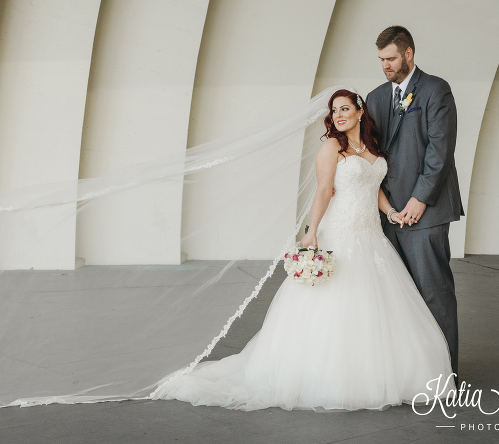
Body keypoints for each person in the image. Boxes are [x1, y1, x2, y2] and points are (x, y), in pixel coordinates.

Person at [151, 89, 455, 411]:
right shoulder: (331, 147)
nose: (338, 115)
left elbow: (373, 186)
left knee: (376, 305)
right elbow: (324, 190)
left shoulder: (372, 149)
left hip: (371, 236)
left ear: (360, 111)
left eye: (344, 108)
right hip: (338, 232)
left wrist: (391, 212)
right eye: (334, 110)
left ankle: (383, 372)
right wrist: (311, 233)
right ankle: (328, 377)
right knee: (331, 304)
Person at [366, 25, 464, 382]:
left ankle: (445, 376)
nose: (385, 66)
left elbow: (440, 152)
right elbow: (370, 153)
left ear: (408, 53)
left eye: (391, 58)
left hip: (427, 210)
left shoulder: (437, 90)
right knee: (398, 296)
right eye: (381, 60)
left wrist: (419, 199)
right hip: (387, 214)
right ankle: (410, 374)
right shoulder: (375, 97)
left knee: (433, 292)